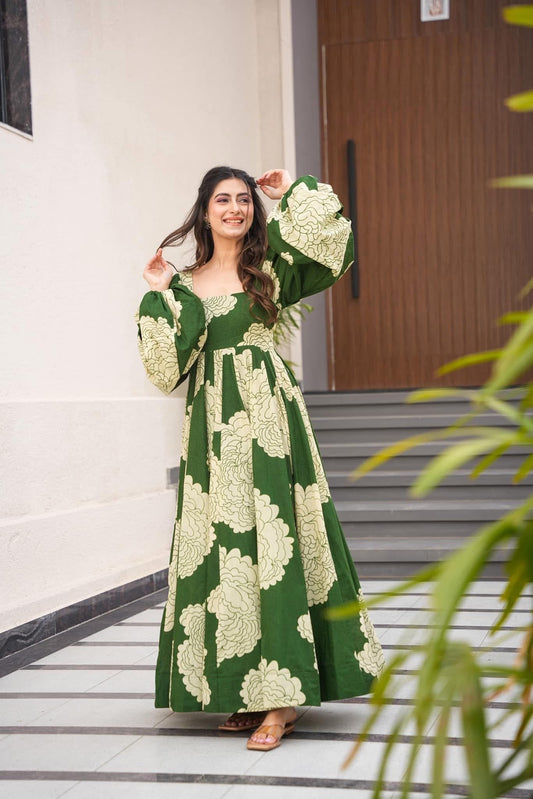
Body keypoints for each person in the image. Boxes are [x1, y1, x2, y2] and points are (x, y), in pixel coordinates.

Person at [136, 166, 384, 752]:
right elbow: (165, 370)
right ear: (204, 210)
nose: (235, 208)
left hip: (270, 423)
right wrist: (161, 291)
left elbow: (333, 247)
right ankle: (247, 690)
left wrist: (289, 190)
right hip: (210, 430)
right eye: (223, 199)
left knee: (276, 546)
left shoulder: (268, 268)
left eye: (244, 200)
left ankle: (283, 698)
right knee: (226, 548)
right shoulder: (189, 280)